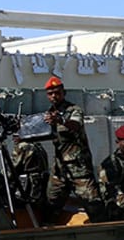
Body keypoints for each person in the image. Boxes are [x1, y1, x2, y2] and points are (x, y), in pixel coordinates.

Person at [42, 76, 105, 221]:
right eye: (50, 93)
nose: (54, 96)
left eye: (57, 92)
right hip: (60, 169)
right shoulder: (48, 114)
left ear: (63, 92)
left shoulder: (74, 110)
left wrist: (61, 120)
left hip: (79, 169)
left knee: (94, 205)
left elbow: (75, 125)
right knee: (50, 204)